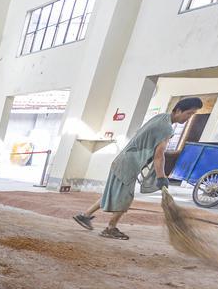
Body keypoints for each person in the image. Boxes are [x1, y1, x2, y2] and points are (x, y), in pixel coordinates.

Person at [73, 96, 203, 239]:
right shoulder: (166, 128)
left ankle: (84, 216)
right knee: (126, 198)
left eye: (192, 115)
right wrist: (161, 178)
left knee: (112, 193)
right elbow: (159, 156)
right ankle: (110, 228)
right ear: (178, 110)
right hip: (129, 164)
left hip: (123, 160)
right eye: (189, 113)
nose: (189, 118)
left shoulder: (162, 117)